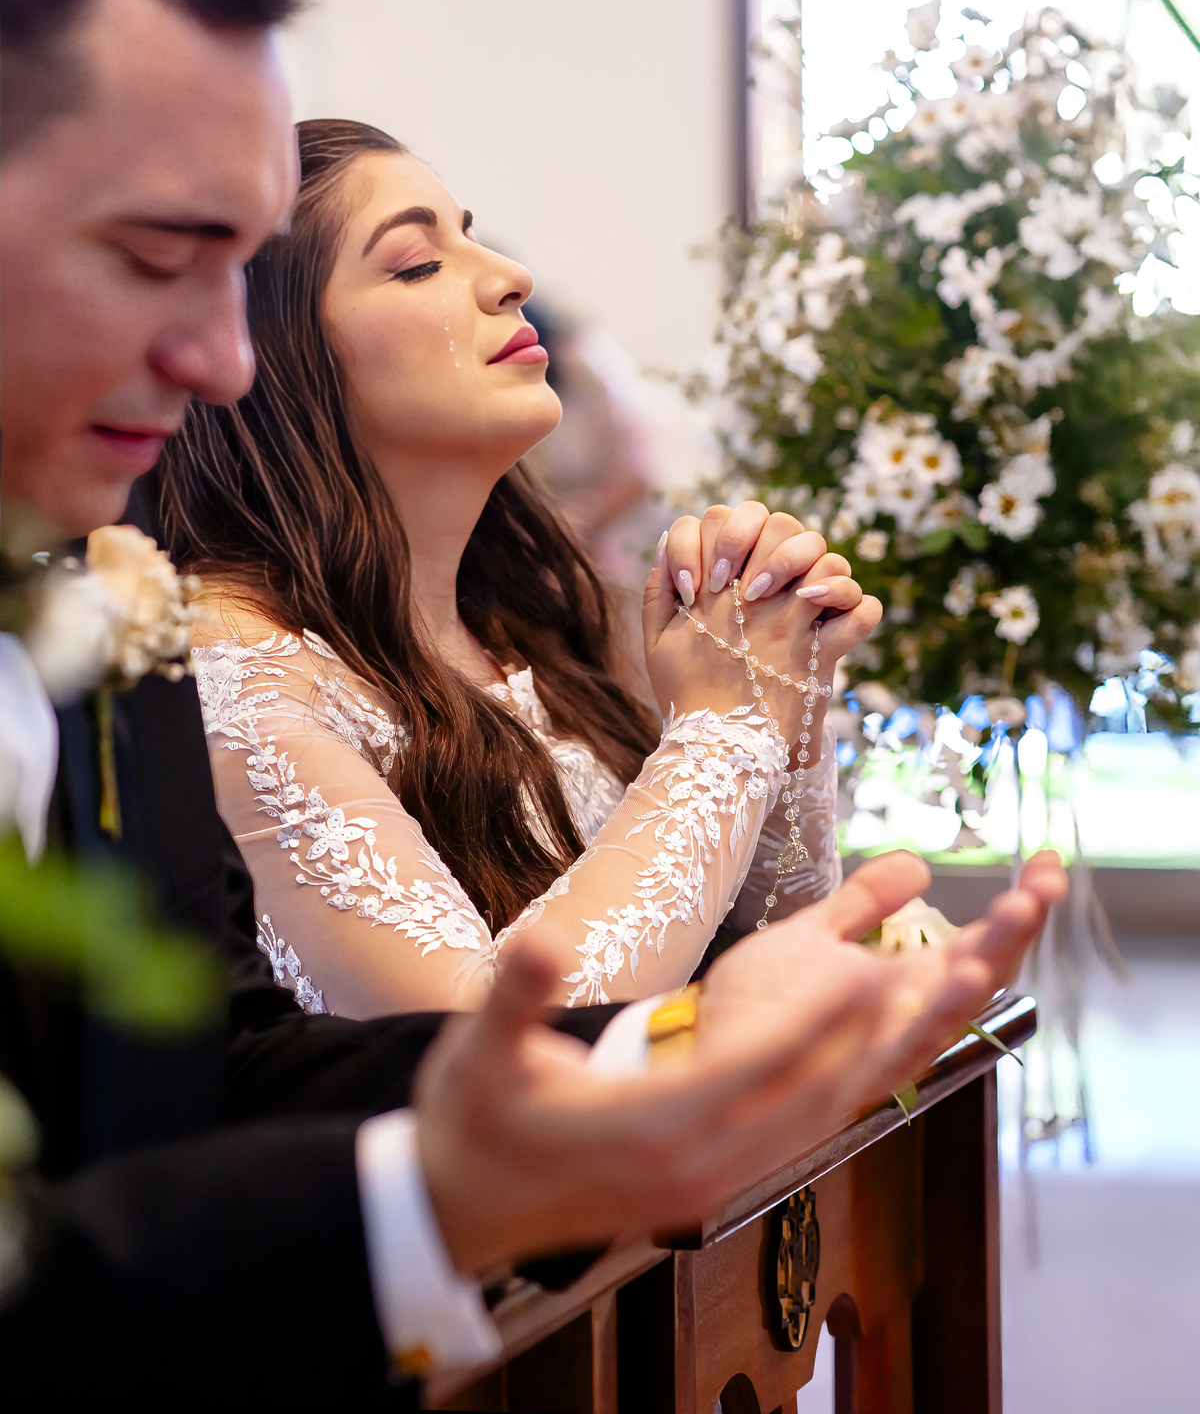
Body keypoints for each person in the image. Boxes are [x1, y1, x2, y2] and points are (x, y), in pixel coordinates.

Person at [0, 0, 1067, 1407]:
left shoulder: (447, 621)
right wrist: (718, 737)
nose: (206, 357)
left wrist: (780, 723)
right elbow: (465, 1019)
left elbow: (216, 1081)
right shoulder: (202, 652)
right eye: (160, 258)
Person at [153, 118, 878, 1019]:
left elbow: (764, 950)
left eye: (472, 234)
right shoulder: (239, 674)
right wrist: (724, 728)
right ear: (272, 353)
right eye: (419, 263)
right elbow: (489, 1037)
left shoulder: (520, 620)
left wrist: (778, 687)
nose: (511, 276)